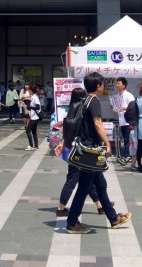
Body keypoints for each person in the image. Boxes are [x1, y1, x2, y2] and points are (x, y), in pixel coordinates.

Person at [65, 72, 132, 234]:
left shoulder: (85, 100)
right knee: (83, 188)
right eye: (102, 84)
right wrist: (108, 144)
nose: (103, 86)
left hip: (87, 149)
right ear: (98, 86)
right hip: (91, 151)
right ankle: (72, 222)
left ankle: (113, 218)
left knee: (100, 185)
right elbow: (98, 124)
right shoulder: (94, 101)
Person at [54, 87, 104, 217]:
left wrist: (64, 143)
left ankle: (100, 205)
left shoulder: (72, 109)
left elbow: (68, 130)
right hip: (80, 149)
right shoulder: (81, 110)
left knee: (87, 178)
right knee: (74, 179)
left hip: (73, 148)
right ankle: (61, 208)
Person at [113, 77, 135, 165]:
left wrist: (125, 108)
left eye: (119, 83)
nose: (117, 85)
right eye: (116, 83)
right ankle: (126, 156)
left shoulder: (129, 95)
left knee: (127, 139)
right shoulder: (117, 96)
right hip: (122, 121)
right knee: (125, 140)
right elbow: (117, 109)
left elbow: (133, 107)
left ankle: (127, 156)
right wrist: (113, 107)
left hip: (128, 122)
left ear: (124, 85)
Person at [24, 84, 41, 150]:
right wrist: (28, 107)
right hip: (34, 116)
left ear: (31, 90)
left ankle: (31, 146)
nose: (28, 91)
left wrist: (29, 107)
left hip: (35, 117)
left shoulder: (35, 97)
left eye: (29, 90)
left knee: (28, 130)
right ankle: (36, 146)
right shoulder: (34, 96)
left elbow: (38, 107)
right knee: (34, 131)